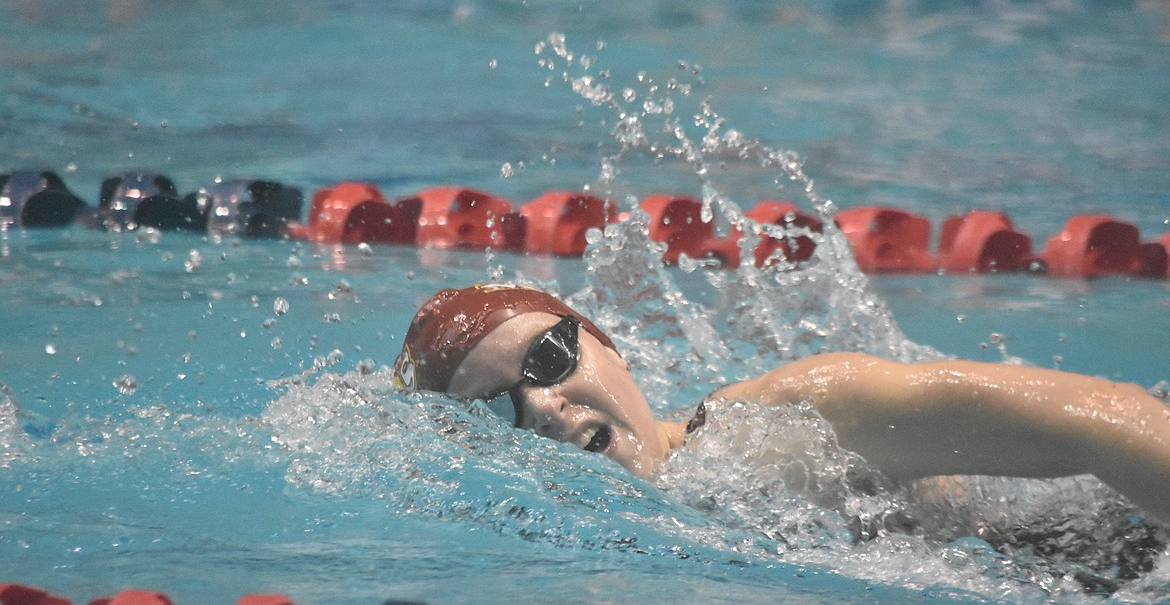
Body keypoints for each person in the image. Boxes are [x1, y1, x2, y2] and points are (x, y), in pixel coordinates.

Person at [392, 284, 1170, 524]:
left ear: (608, 345)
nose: (548, 409)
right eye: (498, 409)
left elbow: (1112, 420)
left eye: (550, 358)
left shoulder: (794, 421)